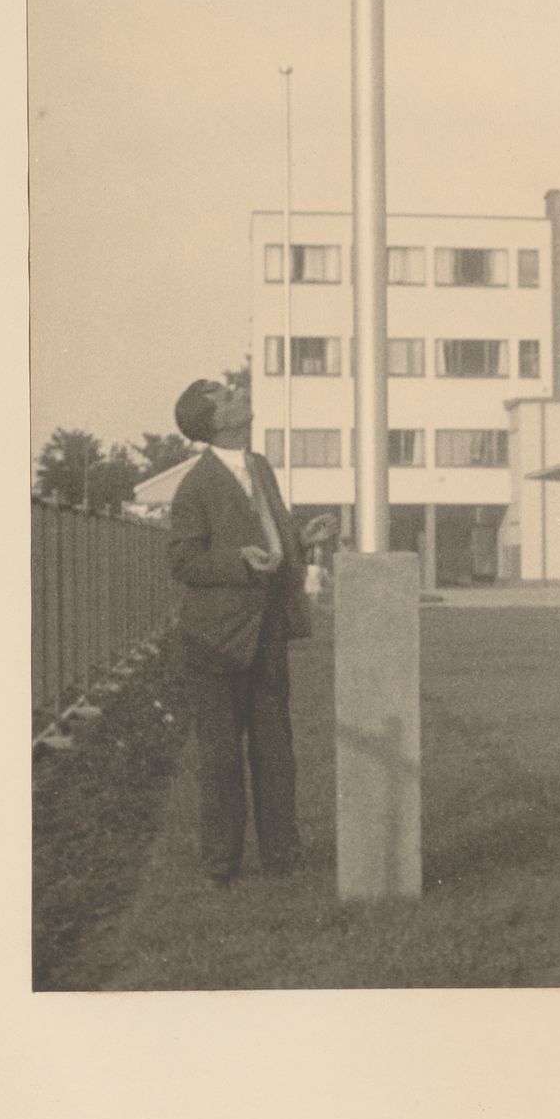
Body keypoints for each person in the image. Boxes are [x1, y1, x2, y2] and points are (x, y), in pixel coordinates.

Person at [167, 378, 333, 887]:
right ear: (215, 421)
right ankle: (221, 868)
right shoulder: (195, 486)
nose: (240, 395)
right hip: (216, 642)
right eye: (227, 396)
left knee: (275, 752)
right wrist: (239, 560)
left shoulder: (260, 467)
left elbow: (270, 538)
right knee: (220, 761)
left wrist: (300, 539)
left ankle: (283, 859)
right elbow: (183, 560)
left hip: (265, 633)